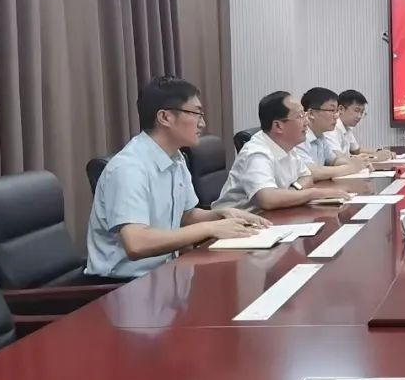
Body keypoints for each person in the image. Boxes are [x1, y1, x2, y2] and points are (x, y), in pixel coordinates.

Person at [86, 76, 269, 279]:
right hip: (123, 285)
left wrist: (221, 215)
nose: (203, 123)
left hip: (167, 272)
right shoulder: (129, 168)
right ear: (165, 117)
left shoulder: (176, 157)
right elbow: (136, 243)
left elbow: (185, 215)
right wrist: (210, 228)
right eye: (196, 114)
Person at [213, 91, 351, 211]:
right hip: (235, 223)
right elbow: (268, 199)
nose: (307, 122)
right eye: (299, 116)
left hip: (271, 216)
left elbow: (307, 177)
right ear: (278, 126)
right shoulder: (257, 153)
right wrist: (314, 194)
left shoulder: (287, 145)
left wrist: (292, 191)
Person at [297, 87, 369, 180]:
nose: (337, 116)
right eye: (332, 111)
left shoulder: (320, 136)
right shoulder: (299, 136)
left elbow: (334, 160)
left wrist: (356, 163)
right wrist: (351, 168)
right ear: (311, 114)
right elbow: (311, 172)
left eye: (337, 111)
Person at [327, 89, 392, 161]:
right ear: (341, 109)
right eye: (356, 110)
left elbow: (356, 150)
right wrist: (375, 157)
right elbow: (338, 159)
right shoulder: (331, 129)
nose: (359, 116)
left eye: (362, 112)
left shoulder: (347, 127)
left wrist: (379, 151)